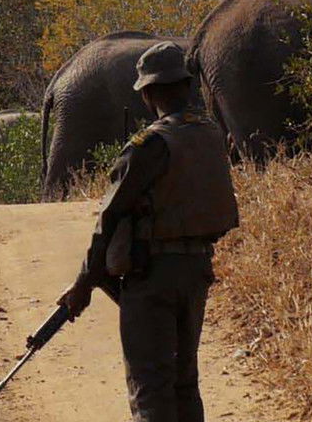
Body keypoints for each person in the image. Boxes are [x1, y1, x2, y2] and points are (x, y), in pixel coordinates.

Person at [56, 40, 240, 422]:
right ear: (186, 86)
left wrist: (82, 284)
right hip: (197, 272)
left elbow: (108, 219)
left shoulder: (150, 144)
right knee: (184, 381)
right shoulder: (210, 134)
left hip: (152, 276)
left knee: (150, 389)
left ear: (149, 92)